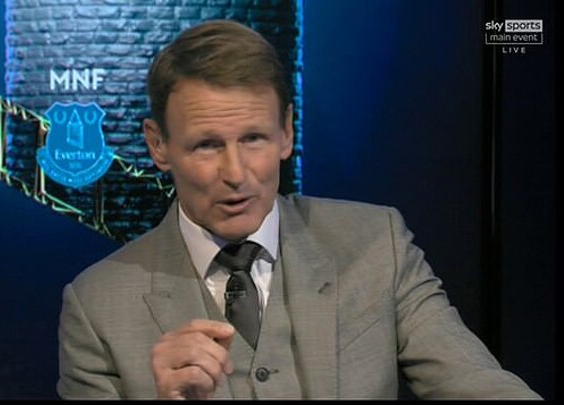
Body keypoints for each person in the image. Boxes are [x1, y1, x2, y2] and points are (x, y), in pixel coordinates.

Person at [57, 20, 541, 400]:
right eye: (207, 145)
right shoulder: (97, 307)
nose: (236, 173)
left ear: (287, 132)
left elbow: (479, 386)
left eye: (254, 138)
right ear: (158, 145)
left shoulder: (379, 244)